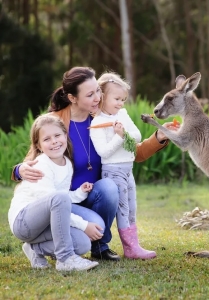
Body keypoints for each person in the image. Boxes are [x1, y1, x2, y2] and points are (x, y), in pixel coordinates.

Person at [11, 66, 174, 261]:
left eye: (98, 90)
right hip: (66, 200)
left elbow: (133, 153)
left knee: (109, 187)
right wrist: (19, 170)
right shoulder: (55, 122)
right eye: (90, 94)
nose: (98, 97)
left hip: (90, 193)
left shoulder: (103, 118)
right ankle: (47, 244)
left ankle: (100, 246)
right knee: (89, 227)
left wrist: (158, 137)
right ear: (73, 98)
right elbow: (36, 158)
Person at [8, 114, 100, 271]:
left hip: (45, 225)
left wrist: (79, 193)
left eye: (57, 135)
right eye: (47, 139)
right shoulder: (41, 165)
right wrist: (84, 225)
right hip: (24, 222)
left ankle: (35, 249)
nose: (54, 141)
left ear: (65, 135)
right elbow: (57, 199)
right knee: (61, 201)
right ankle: (65, 259)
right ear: (38, 145)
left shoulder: (66, 164)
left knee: (82, 243)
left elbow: (61, 202)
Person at [90, 72, 156, 259]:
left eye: (123, 100)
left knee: (132, 206)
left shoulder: (123, 115)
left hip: (128, 169)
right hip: (113, 171)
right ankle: (130, 248)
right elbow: (104, 152)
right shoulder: (98, 123)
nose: (120, 103)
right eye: (116, 98)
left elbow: (137, 136)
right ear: (102, 97)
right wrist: (119, 137)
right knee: (123, 209)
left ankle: (133, 247)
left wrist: (123, 132)